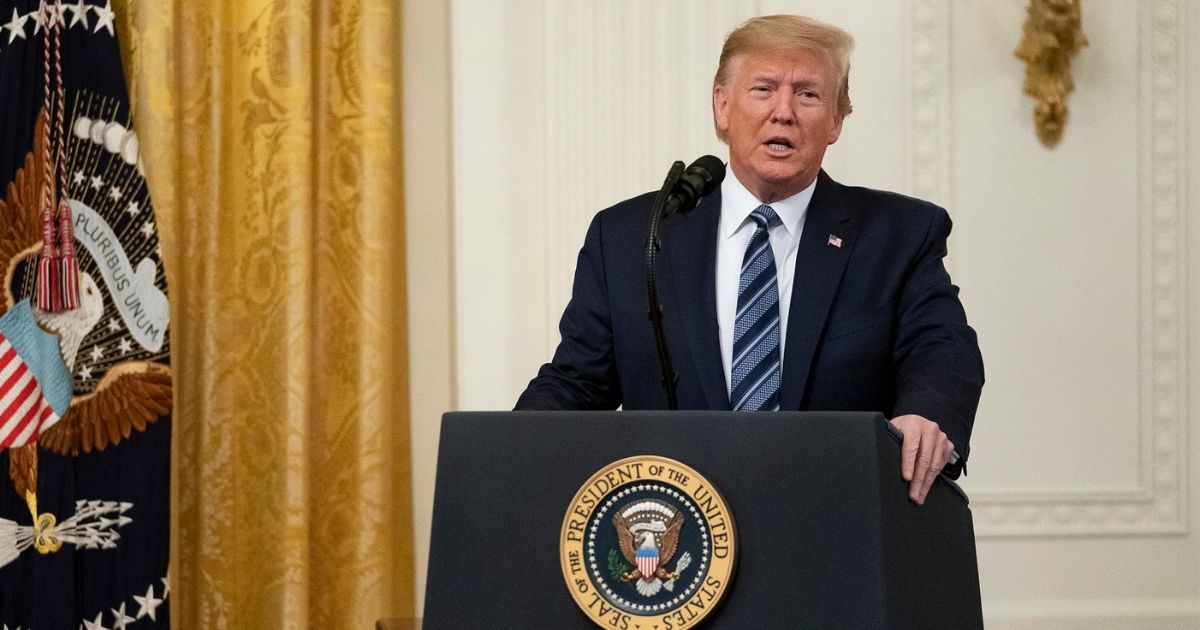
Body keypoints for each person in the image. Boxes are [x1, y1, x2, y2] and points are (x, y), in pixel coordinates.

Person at [515, 14, 983, 505]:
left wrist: (927, 413)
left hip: (837, 519)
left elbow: (942, 347)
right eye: (763, 89)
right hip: (680, 537)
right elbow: (578, 382)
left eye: (808, 94)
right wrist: (508, 448)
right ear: (722, 106)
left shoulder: (895, 234)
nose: (783, 112)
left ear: (837, 121)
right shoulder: (632, 236)